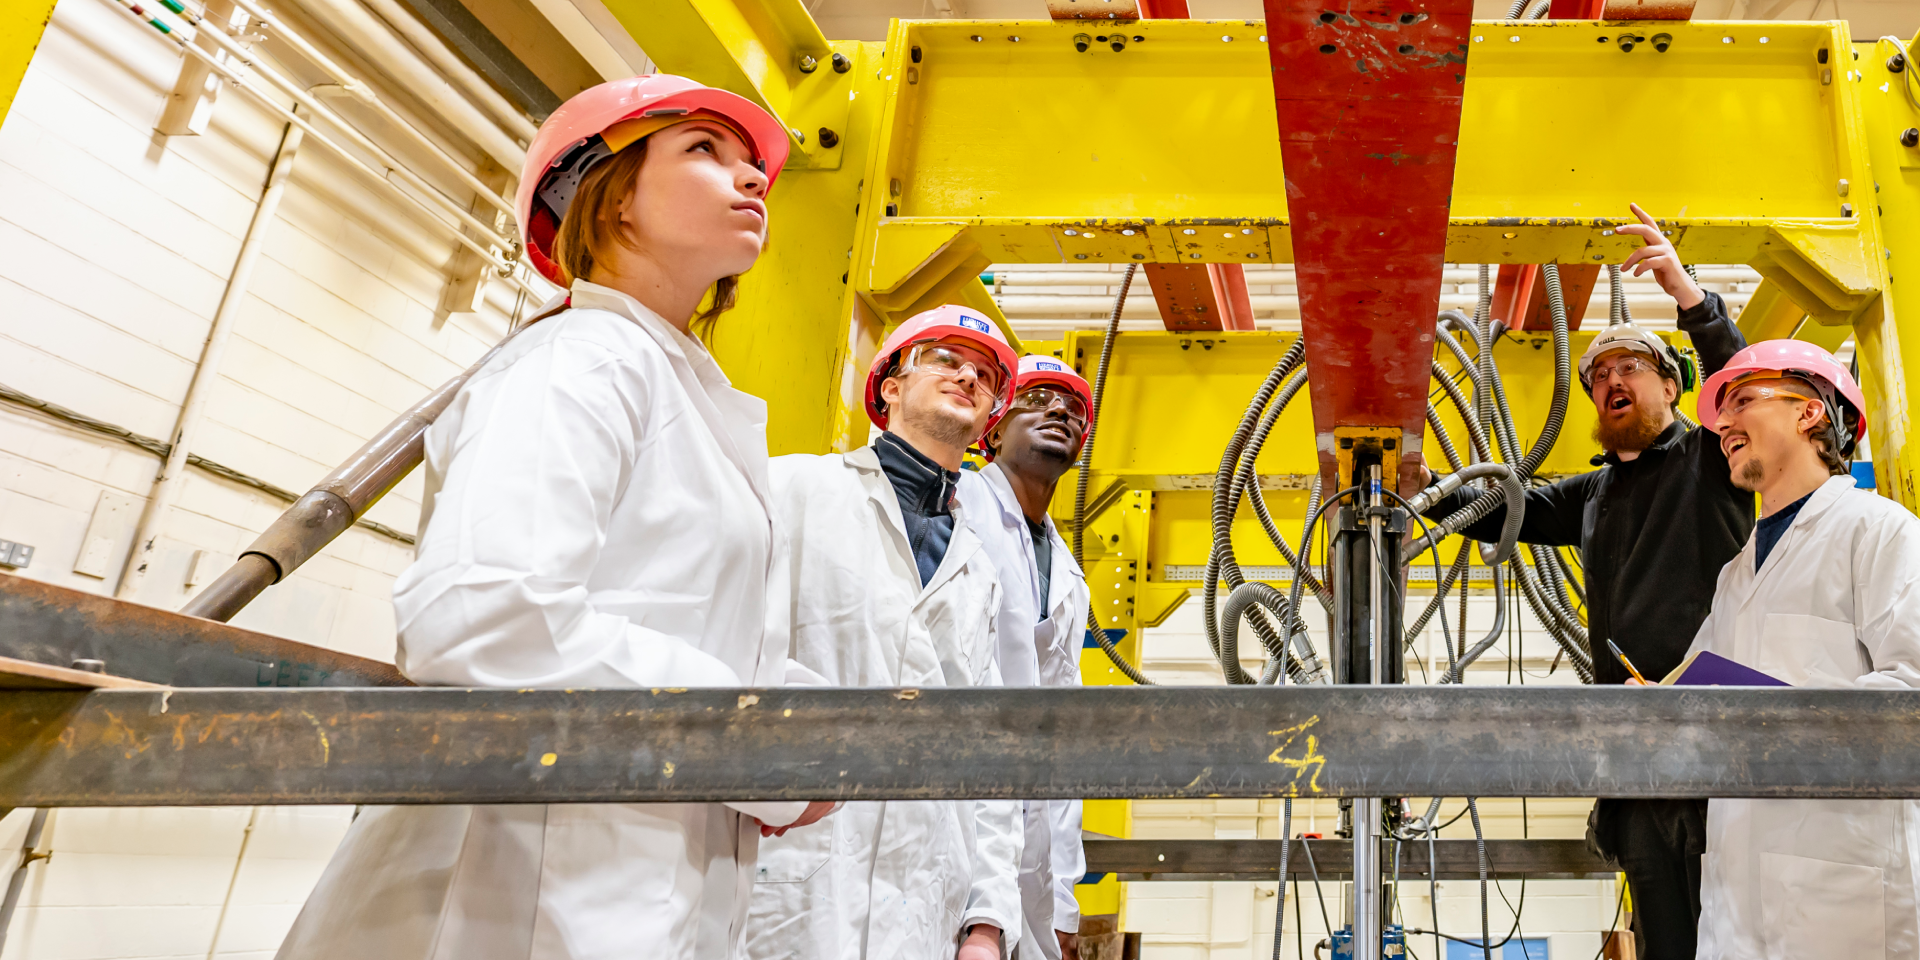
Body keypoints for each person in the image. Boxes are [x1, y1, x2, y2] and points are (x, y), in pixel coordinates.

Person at [275, 75, 833, 960]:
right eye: (704, 150)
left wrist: (812, 729)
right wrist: (757, 740)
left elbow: (683, 624)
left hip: (629, 884)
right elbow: (480, 615)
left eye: (749, 161)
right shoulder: (580, 363)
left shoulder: (680, 392)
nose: (755, 176)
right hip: (515, 898)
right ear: (609, 202)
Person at [1415, 204, 1748, 959]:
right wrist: (1425, 483)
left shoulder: (1711, 463)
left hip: (1715, 738)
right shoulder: (1593, 493)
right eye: (1599, 374)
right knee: (1664, 931)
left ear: (1671, 384)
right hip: (1634, 753)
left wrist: (1688, 296)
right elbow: (1505, 511)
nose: (1610, 381)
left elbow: (1740, 388)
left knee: (1732, 929)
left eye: (1630, 366)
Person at [746, 304, 1024, 960]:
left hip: (925, 904)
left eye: (984, 373)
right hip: (788, 883)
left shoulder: (978, 570)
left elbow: (989, 750)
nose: (967, 375)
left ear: (989, 417)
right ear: (889, 387)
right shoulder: (792, 490)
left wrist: (986, 920)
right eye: (945, 359)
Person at [1673, 340, 1920, 959]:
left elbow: (1912, 691)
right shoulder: (1736, 575)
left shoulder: (1880, 531)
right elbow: (1692, 687)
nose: (1722, 423)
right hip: (1737, 893)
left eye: (1740, 401)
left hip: (1843, 883)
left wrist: (1775, 720)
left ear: (1809, 411)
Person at [957, 356, 1096, 960]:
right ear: (993, 426)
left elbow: (1064, 734)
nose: (1059, 410)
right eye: (1037, 397)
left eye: (1071, 407)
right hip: (954, 803)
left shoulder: (1070, 573)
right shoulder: (955, 506)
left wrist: (1064, 895)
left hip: (1030, 844)